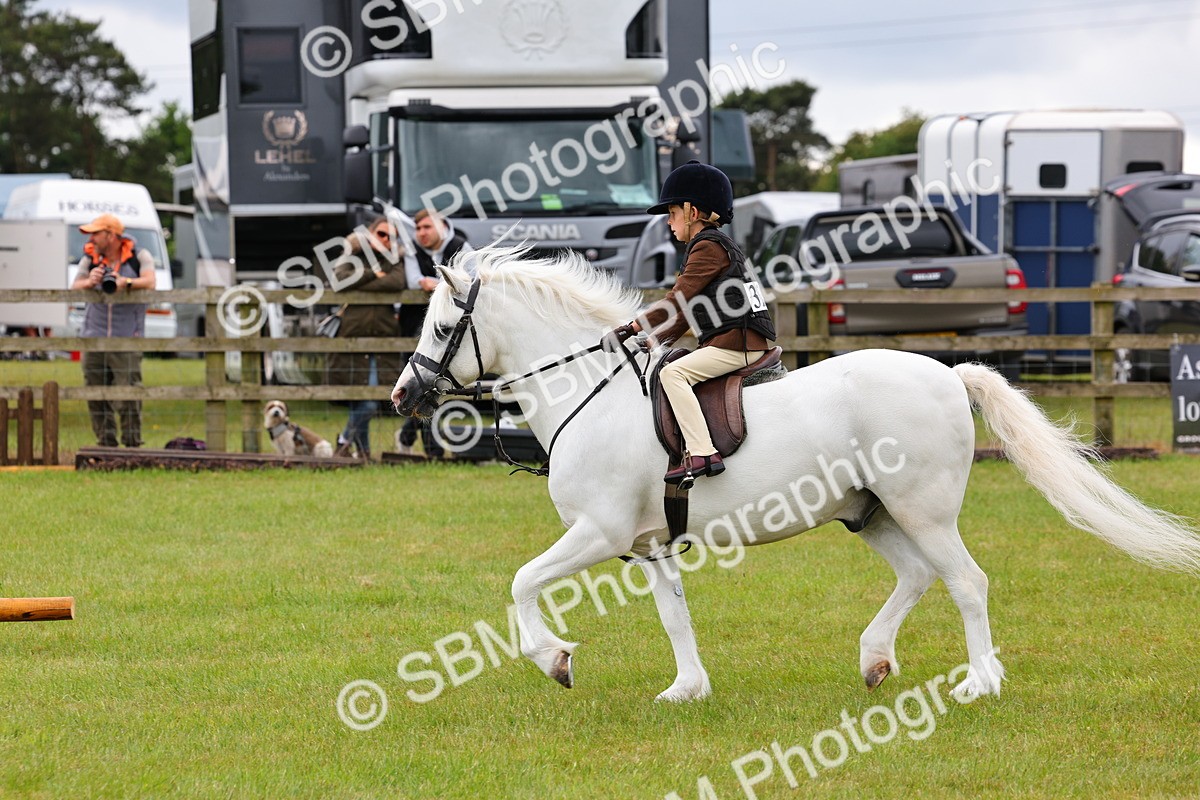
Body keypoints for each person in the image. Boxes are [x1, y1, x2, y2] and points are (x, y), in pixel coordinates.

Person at [604, 160, 776, 483]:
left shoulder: (708, 247)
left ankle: (702, 452)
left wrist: (633, 326)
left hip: (736, 344)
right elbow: (685, 312)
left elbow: (674, 301)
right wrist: (654, 341)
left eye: (672, 214)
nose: (668, 223)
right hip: (738, 340)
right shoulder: (710, 246)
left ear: (692, 212)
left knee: (673, 374)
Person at [70, 213, 156, 448]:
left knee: (128, 393)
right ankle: (105, 443)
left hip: (127, 337)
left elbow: (150, 281)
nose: (92, 238)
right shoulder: (90, 257)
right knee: (95, 393)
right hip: (93, 337)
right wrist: (90, 281)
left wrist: (125, 283)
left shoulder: (139, 256)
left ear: (111, 235)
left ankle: (132, 445)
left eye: (96, 233)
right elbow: (74, 287)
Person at [327, 216, 408, 460]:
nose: (385, 240)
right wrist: (375, 273)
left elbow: (396, 282)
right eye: (381, 234)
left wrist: (361, 280)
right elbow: (340, 281)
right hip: (352, 340)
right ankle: (362, 452)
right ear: (370, 234)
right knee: (361, 401)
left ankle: (344, 442)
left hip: (382, 342)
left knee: (371, 401)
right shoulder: (351, 253)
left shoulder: (395, 259)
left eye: (390, 237)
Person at [396, 209, 473, 457]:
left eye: (427, 227)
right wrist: (444, 283)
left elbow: (471, 281)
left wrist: (435, 283)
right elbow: (413, 281)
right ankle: (430, 447)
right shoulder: (412, 249)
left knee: (434, 384)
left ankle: (416, 439)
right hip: (415, 327)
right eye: (418, 229)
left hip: (450, 328)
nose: (421, 233)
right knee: (420, 382)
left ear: (442, 226)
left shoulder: (461, 246)